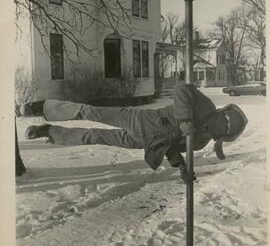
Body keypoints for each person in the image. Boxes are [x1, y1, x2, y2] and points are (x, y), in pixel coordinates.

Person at [22, 83, 248, 181]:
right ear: (223, 111)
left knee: (93, 136)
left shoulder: (199, 143)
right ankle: (42, 107)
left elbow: (170, 148)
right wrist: (185, 119)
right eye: (227, 118)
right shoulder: (205, 106)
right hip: (137, 119)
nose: (225, 123)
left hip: (140, 141)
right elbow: (182, 91)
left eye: (229, 128)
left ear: (225, 136)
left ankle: (49, 132)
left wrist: (180, 166)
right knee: (88, 111)